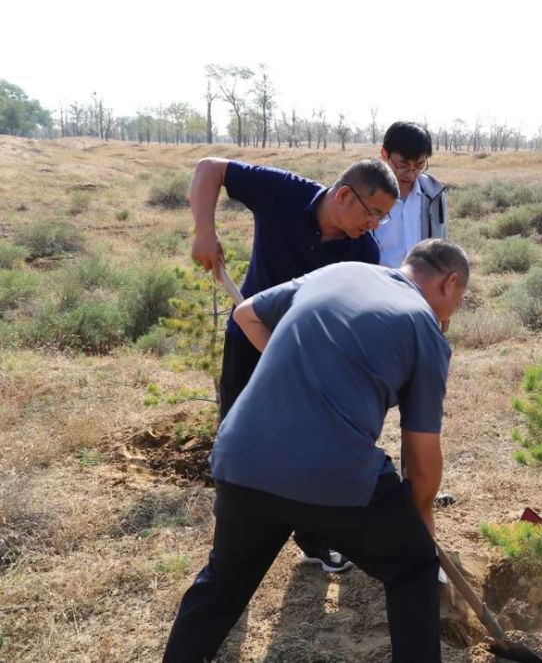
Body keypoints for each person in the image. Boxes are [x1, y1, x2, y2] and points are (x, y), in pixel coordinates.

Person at [163, 239, 470, 663]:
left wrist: (306, 374)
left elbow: (247, 314)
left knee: (223, 584)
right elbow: (420, 454)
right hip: (330, 474)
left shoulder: (341, 271)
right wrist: (421, 521)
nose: (451, 313)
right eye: (458, 300)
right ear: (450, 282)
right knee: (414, 566)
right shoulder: (424, 327)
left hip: (243, 457)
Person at [190, 156, 398, 573]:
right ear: (344, 195)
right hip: (250, 340)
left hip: (308, 358)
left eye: (384, 218)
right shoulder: (283, 192)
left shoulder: (362, 251)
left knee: (311, 447)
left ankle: (316, 539)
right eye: (373, 213)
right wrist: (205, 232)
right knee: (238, 440)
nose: (375, 225)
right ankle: (230, 550)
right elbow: (209, 168)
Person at [374, 121, 448, 268]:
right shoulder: (366, 194)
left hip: (419, 286)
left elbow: (441, 244)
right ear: (384, 154)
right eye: (403, 165)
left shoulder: (434, 195)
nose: (411, 174)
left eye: (419, 165)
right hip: (378, 283)